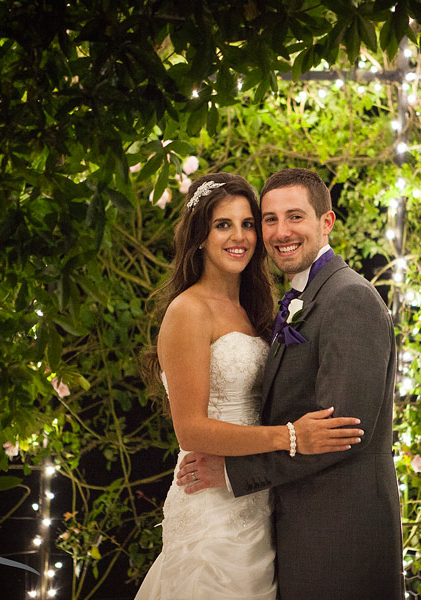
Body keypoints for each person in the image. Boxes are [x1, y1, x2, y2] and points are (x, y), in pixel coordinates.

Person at [176, 168, 405, 599]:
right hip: (287, 528)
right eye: (269, 219)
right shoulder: (297, 298)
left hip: (339, 540)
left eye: (295, 217)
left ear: (326, 223)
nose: (281, 231)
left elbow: (341, 435)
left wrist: (231, 471)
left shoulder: (347, 298)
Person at [136, 172, 364, 600]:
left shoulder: (254, 309)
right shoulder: (188, 310)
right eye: (223, 224)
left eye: (248, 224)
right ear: (200, 235)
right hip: (211, 505)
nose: (239, 236)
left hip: (257, 500)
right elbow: (191, 430)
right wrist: (292, 436)